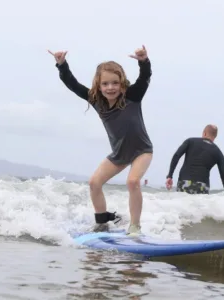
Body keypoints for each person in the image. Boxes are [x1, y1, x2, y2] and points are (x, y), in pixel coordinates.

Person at [48, 45, 153, 235]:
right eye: (105, 84)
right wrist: (62, 65)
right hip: (120, 152)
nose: (110, 87)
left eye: (115, 83)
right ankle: (102, 221)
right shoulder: (96, 101)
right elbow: (73, 84)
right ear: (98, 85)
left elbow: (144, 78)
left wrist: (143, 61)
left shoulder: (133, 96)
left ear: (122, 83)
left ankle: (135, 226)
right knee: (94, 183)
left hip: (141, 150)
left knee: (133, 182)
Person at [165, 124, 224, 194]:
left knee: (182, 204)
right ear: (215, 136)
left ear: (204, 133)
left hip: (184, 183)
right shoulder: (218, 152)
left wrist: (170, 176)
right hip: (202, 186)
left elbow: (176, 156)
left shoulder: (190, 141)